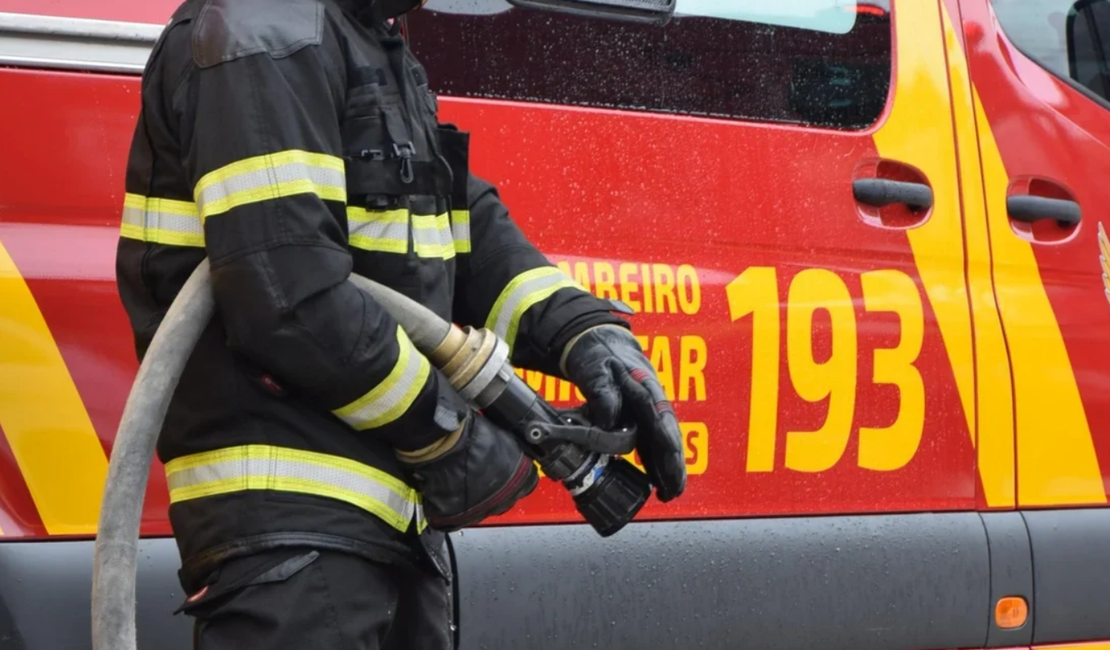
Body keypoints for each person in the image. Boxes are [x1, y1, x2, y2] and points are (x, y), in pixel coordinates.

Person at [114, 0, 687, 647]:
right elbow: (286, 298)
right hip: (293, 528)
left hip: (384, 528)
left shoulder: (362, 38)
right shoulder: (265, 31)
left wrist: (584, 335)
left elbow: (452, 233)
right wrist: (448, 433)